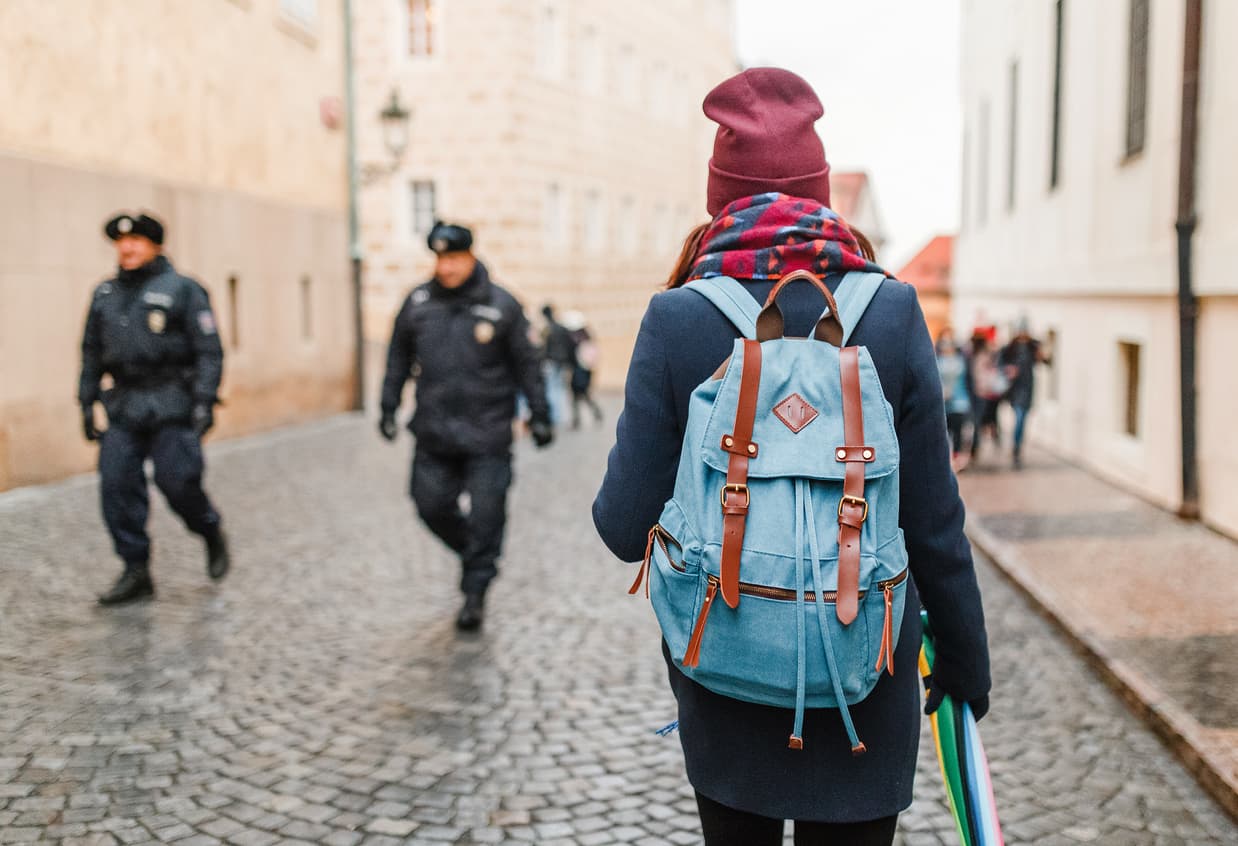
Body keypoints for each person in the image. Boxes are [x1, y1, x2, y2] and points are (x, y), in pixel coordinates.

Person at [592, 68, 990, 845]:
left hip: (728, 669)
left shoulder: (678, 318)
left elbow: (620, 524)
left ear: (719, 195)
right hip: (864, 677)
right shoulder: (893, 307)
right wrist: (967, 662)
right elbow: (935, 521)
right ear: (820, 190)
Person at [379, 221, 553, 631]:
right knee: (429, 505)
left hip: (488, 433)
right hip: (435, 431)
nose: (447, 268)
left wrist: (540, 415)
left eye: (454, 258)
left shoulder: (502, 305)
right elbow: (397, 359)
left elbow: (527, 365)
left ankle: (475, 591)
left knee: (487, 514)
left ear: (471, 256)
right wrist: (387, 407)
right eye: (441, 259)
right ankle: (477, 556)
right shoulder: (418, 303)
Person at [79, 211, 230, 606]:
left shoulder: (183, 290)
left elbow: (208, 351)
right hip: (125, 403)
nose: (127, 248)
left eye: (137, 241)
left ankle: (209, 529)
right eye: (121, 242)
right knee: (116, 486)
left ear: (155, 246)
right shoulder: (106, 294)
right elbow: (91, 352)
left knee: (178, 481)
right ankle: (135, 569)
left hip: (171, 401)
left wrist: (204, 400)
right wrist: (86, 400)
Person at [999, 317, 1050, 469]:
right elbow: (1001, 364)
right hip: (1015, 389)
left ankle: (1018, 446)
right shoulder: (1010, 347)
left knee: (1023, 418)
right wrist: (1008, 370)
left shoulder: (1033, 346)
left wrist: (1043, 353)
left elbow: (1046, 362)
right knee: (1019, 417)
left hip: (1028, 386)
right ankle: (1016, 447)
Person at [935, 329, 972, 471]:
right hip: (942, 403)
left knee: (958, 432)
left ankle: (956, 460)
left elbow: (968, 380)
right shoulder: (936, 359)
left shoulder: (961, 359)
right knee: (944, 433)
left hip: (960, 401)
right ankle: (946, 460)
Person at [560, 310, 604, 429]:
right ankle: (580, 418)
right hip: (584, 370)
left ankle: (581, 418)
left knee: (581, 394)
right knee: (579, 395)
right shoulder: (586, 336)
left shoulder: (576, 338)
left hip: (580, 370)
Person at [966, 329, 1005, 463]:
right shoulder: (976, 355)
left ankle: (976, 449)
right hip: (983, 392)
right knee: (984, 421)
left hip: (981, 392)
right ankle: (977, 447)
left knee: (980, 421)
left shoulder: (978, 355)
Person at [540, 304, 575, 426]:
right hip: (562, 362)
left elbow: (543, 347)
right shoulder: (561, 328)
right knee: (560, 389)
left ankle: (555, 416)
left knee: (551, 388)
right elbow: (570, 345)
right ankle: (560, 416)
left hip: (551, 362)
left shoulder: (547, 329)